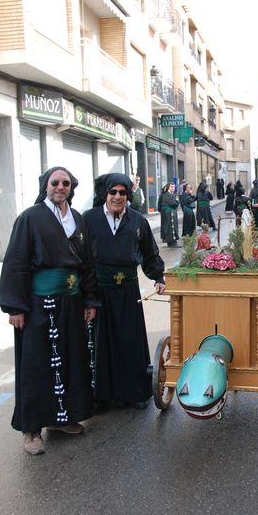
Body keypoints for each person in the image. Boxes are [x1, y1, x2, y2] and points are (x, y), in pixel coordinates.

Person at [0, 167, 99, 455]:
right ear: (46, 186)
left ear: (71, 187)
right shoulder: (30, 217)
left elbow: (87, 264)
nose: (60, 187)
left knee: (69, 359)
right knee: (36, 364)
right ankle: (31, 429)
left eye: (65, 183)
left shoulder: (77, 219)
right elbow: (16, 261)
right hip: (39, 304)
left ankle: (60, 419)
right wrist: (15, 306)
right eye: (55, 182)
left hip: (71, 300)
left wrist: (90, 300)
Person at [82, 173, 165, 410]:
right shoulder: (89, 219)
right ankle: (101, 396)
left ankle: (134, 393)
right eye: (113, 192)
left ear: (128, 195)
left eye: (122, 192)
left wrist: (157, 276)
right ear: (105, 194)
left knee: (130, 341)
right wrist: (85, 294)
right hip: (99, 292)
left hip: (128, 291)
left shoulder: (138, 221)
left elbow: (150, 252)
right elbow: (82, 256)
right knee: (101, 343)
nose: (117, 197)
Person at [160, 182, 180, 246]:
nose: (173, 188)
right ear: (168, 187)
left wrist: (176, 203)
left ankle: (174, 240)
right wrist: (176, 204)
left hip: (173, 212)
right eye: (171, 186)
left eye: (174, 186)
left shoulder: (173, 194)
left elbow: (177, 202)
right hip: (168, 213)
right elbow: (172, 203)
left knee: (174, 226)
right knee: (169, 227)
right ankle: (170, 241)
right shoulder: (166, 195)